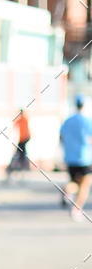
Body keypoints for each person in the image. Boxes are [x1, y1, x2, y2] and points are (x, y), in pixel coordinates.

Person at [59, 94, 92, 222]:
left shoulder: (68, 121)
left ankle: (66, 190)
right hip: (84, 158)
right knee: (85, 185)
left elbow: (61, 137)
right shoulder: (87, 121)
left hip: (70, 158)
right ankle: (76, 209)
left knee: (74, 182)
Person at [6, 109, 31, 179]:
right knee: (21, 152)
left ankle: (20, 166)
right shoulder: (24, 119)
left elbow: (14, 123)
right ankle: (21, 165)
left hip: (24, 138)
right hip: (24, 138)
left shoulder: (23, 119)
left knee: (20, 152)